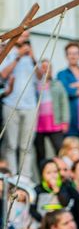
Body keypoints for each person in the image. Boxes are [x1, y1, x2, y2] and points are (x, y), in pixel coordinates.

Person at [0, 31, 43, 177]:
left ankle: (25, 177)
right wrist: (17, 57)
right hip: (11, 103)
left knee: (27, 146)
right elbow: (3, 74)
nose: (25, 39)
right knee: (11, 144)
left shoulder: (31, 55)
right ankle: (11, 175)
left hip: (30, 105)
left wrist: (33, 58)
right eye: (23, 35)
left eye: (27, 36)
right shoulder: (9, 53)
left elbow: (40, 76)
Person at [31, 159, 79, 229]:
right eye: (48, 173)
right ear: (42, 174)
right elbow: (31, 210)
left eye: (55, 172)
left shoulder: (68, 189)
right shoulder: (37, 190)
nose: (53, 176)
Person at [34, 59, 70, 166]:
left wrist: (65, 121)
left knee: (60, 149)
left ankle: (62, 170)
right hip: (38, 123)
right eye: (43, 67)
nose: (46, 70)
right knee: (40, 152)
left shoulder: (57, 84)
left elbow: (64, 103)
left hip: (54, 122)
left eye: (48, 67)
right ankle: (43, 172)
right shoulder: (34, 85)